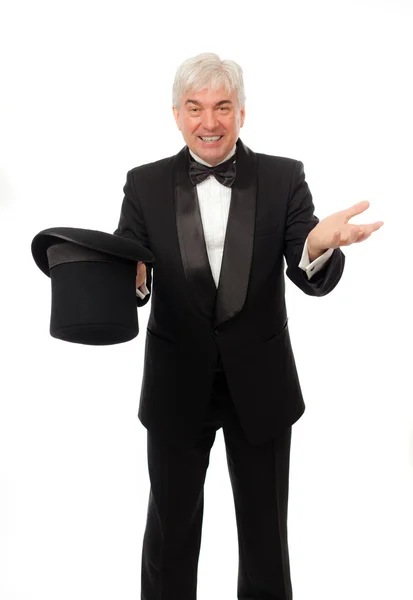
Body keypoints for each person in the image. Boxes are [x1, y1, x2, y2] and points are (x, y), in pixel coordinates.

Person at [113, 53, 383, 600]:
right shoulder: (142, 185)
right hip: (175, 383)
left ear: (242, 112)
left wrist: (318, 244)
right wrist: (132, 278)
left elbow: (306, 266)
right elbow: (130, 276)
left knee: (265, 541)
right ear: (175, 114)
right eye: (195, 108)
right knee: (169, 540)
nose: (208, 122)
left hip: (260, 386)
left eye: (221, 107)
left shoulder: (284, 177)